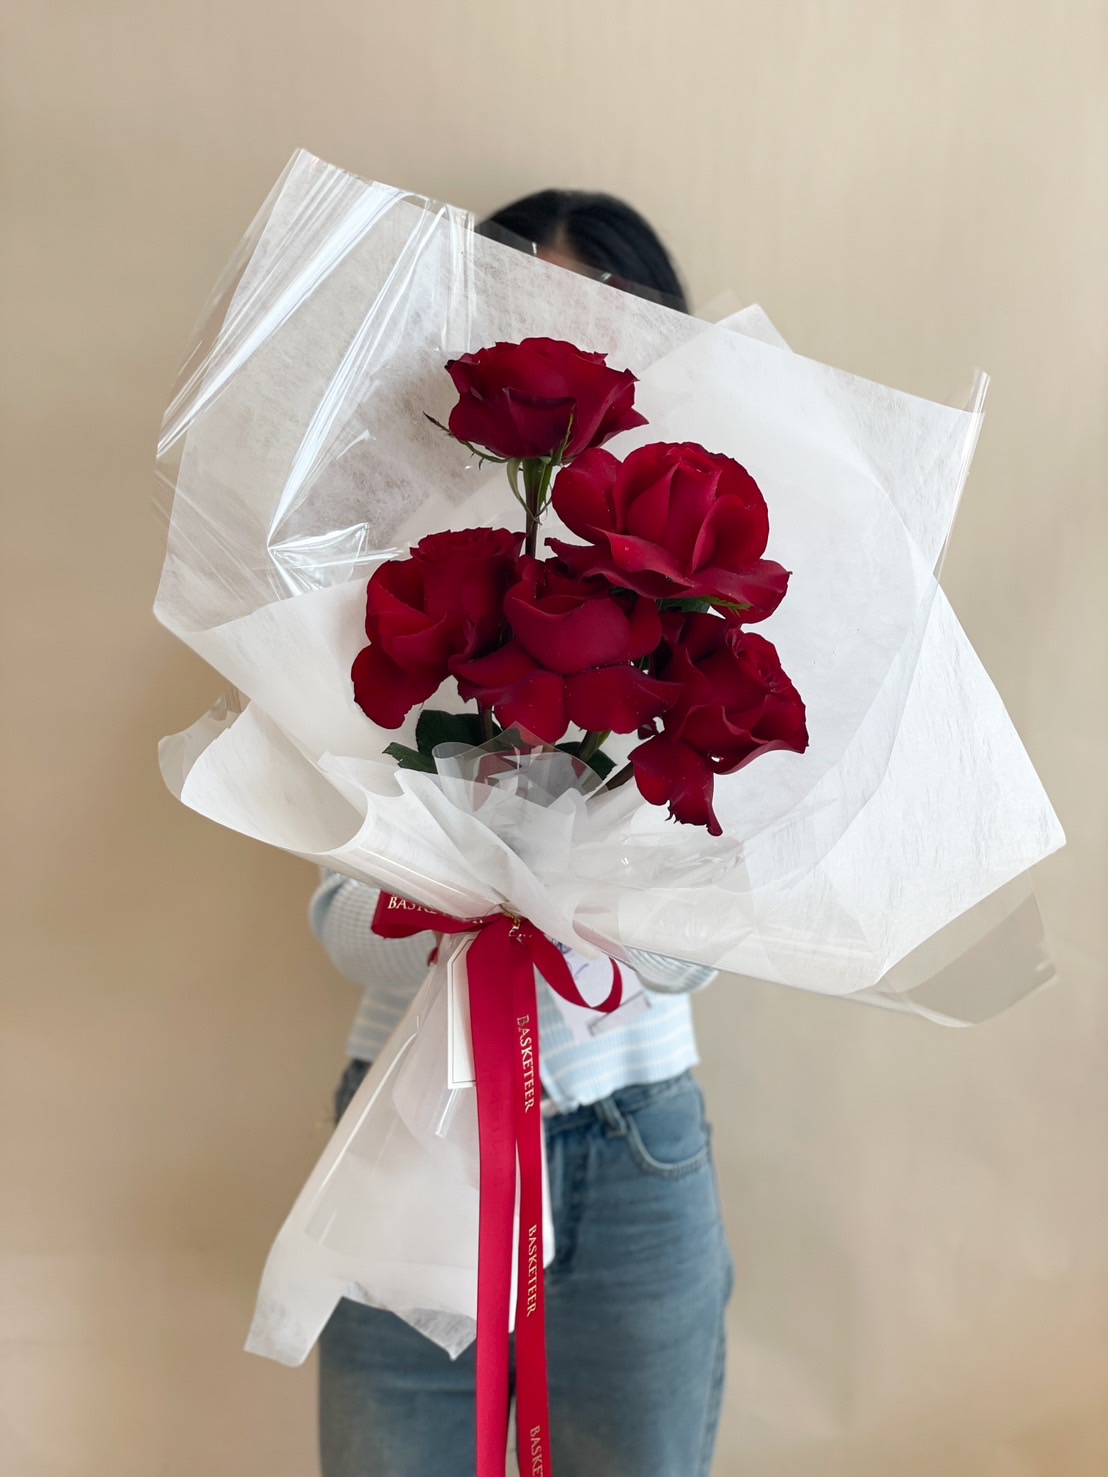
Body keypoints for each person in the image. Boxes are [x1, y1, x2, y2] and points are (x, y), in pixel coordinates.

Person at [315, 190, 732, 1477]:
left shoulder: (699, 626)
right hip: (409, 1127)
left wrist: (575, 870)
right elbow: (338, 928)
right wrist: (478, 872)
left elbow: (695, 951)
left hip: (632, 1138)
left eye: (602, 318)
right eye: (523, 310)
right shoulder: (388, 603)